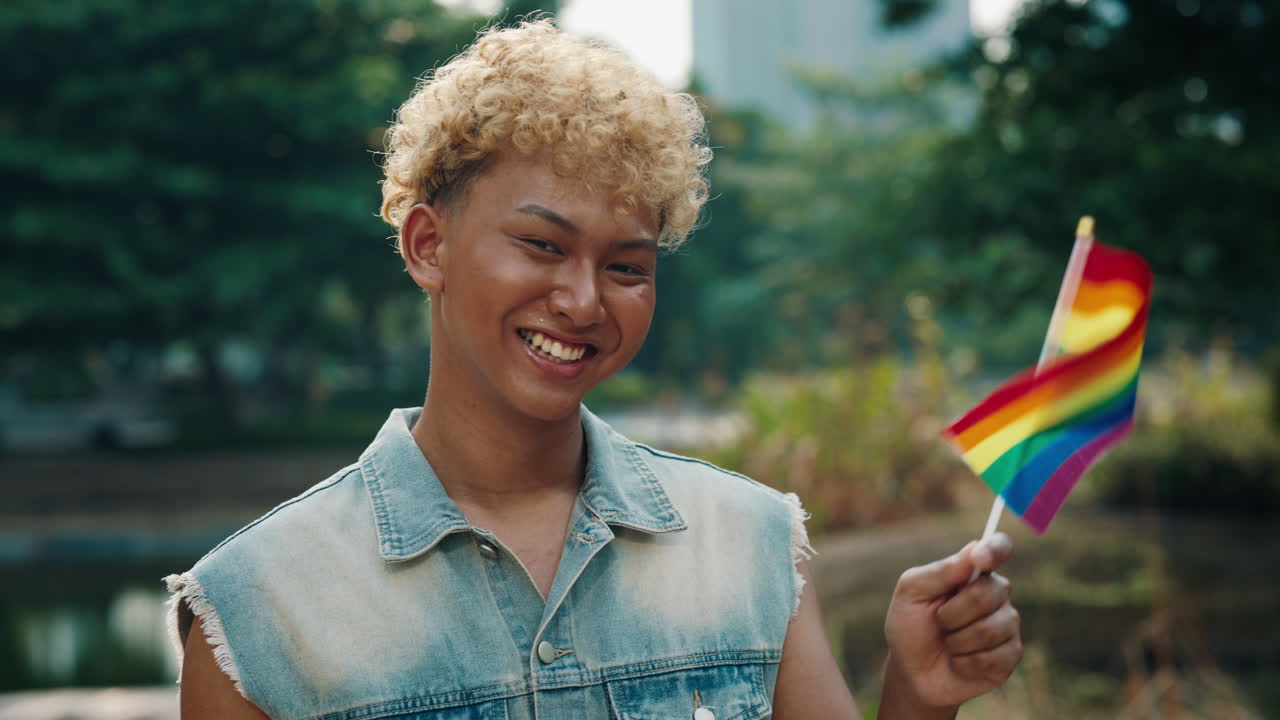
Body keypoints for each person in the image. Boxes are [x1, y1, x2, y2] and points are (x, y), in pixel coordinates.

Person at [165, 18, 1021, 720]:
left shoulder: (750, 545)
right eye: (541, 245)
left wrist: (917, 696)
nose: (583, 301)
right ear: (428, 246)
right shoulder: (256, 607)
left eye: (627, 267)